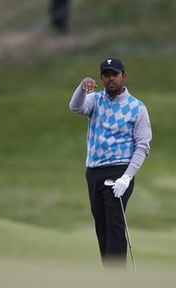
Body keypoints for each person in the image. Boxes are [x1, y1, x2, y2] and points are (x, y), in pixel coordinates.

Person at [69, 57, 152, 268]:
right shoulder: (95, 100)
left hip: (120, 170)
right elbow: (75, 107)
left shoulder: (137, 108)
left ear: (124, 76)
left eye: (114, 74)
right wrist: (81, 86)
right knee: (102, 224)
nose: (110, 79)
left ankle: (117, 278)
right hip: (94, 171)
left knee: (114, 223)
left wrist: (127, 176)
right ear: (101, 78)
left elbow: (142, 146)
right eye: (106, 75)